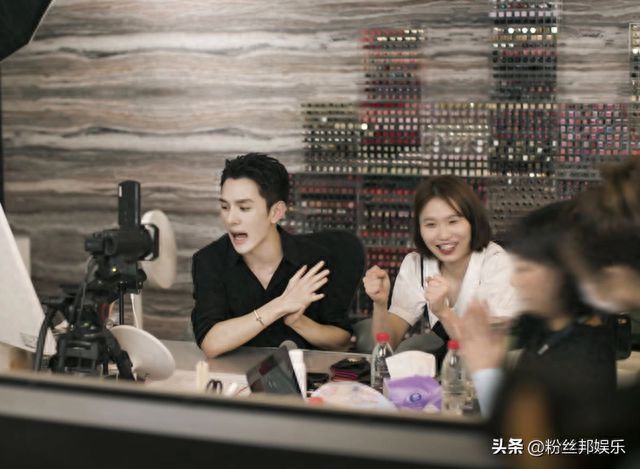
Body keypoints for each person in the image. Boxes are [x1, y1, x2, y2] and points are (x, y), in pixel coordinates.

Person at [460, 202, 616, 418]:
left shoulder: (586, 356)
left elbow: (527, 434)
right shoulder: (545, 331)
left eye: (525, 269)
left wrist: (486, 371)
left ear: (564, 272)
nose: (514, 281)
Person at [191, 153, 353, 357]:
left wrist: (298, 322)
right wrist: (281, 305)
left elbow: (342, 341)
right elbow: (211, 342)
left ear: (276, 212)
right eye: (225, 207)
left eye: (244, 208)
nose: (230, 219)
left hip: (304, 374)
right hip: (234, 374)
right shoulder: (209, 261)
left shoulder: (316, 260)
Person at [361, 175, 518, 355]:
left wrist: (443, 311)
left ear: (472, 221)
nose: (443, 235)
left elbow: (485, 352)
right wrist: (380, 304)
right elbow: (387, 345)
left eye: (453, 221)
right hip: (451, 366)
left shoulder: (496, 263)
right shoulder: (417, 265)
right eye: (431, 224)